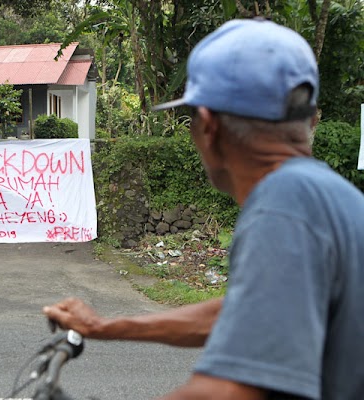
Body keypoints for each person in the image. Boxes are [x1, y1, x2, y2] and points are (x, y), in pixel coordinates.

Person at [43, 18, 364, 400]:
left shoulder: (282, 208)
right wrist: (108, 326)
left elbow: (230, 391)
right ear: (309, 120)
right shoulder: (333, 198)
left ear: (208, 127)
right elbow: (248, 315)